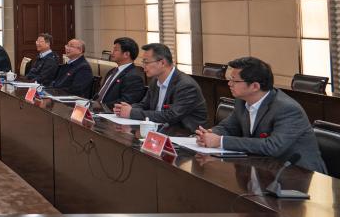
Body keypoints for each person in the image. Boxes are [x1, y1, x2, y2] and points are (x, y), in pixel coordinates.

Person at [196, 57, 326, 172]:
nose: (229, 83)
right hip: (264, 168)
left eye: (235, 81)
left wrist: (220, 141)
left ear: (255, 86)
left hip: (298, 175)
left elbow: (273, 146)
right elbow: (229, 127)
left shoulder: (287, 109)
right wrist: (209, 134)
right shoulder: (242, 101)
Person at [113, 43, 207, 132]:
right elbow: (145, 105)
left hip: (184, 134)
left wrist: (131, 112)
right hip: (160, 130)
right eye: (143, 62)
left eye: (146, 62)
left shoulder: (186, 85)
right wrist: (126, 108)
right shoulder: (155, 81)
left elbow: (171, 116)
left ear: (162, 63)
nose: (143, 66)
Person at [95, 37, 146, 108]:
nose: (112, 52)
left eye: (116, 50)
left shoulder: (134, 76)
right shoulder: (112, 71)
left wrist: (102, 106)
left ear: (126, 54)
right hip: (96, 109)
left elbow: (126, 101)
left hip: (110, 112)